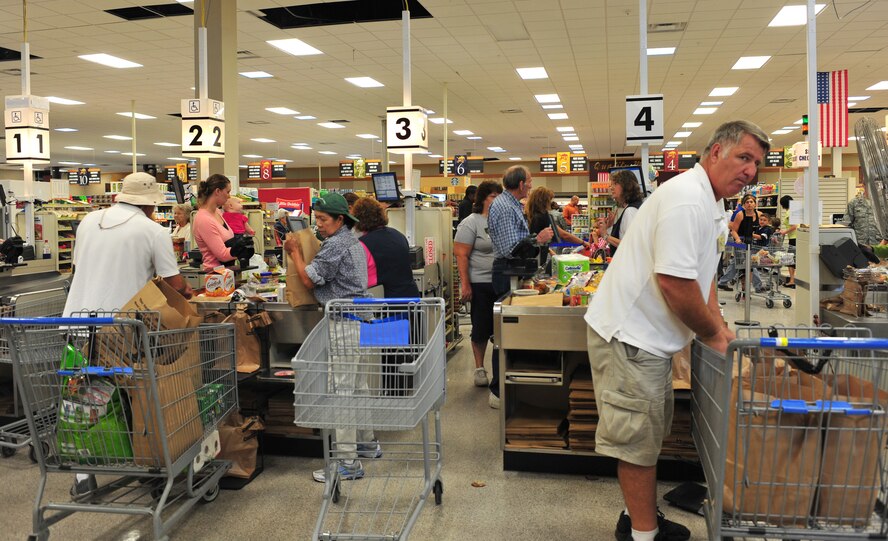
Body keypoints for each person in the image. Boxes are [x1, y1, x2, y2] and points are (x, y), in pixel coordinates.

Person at [585, 120, 769, 541]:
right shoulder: (688, 199)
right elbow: (674, 283)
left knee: (650, 431)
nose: (750, 171)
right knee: (637, 441)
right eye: (744, 157)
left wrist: (718, 328)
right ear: (716, 152)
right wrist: (714, 336)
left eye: (756, 164)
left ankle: (638, 518)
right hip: (630, 338)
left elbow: (700, 280)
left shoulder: (712, 203)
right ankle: (642, 536)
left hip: (649, 338)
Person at [62, 172, 194, 495]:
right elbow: (174, 284)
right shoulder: (153, 231)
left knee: (83, 397)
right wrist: (188, 292)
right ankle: (147, 463)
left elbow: (83, 267)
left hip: (76, 322)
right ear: (151, 206)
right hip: (121, 329)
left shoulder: (89, 222)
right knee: (136, 394)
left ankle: (82, 474)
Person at [283, 193, 379, 483]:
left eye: (323, 220)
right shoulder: (352, 241)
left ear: (340, 219)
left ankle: (348, 462)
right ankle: (367, 443)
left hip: (344, 324)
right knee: (359, 387)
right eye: (317, 219)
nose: (319, 225)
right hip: (360, 321)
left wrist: (296, 253)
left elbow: (309, 279)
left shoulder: (336, 244)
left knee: (343, 393)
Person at [487, 165, 554, 408]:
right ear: (520, 184)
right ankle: (497, 391)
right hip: (507, 273)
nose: (532, 184)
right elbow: (508, 249)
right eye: (529, 180)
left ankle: (508, 385)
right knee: (504, 332)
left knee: (511, 331)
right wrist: (537, 239)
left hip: (515, 272)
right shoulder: (505, 207)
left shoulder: (513, 205)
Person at [454, 180, 503, 387]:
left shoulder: (501, 221)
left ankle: (499, 370)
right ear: (483, 198)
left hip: (501, 281)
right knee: (481, 327)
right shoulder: (470, 222)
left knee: (501, 328)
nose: (497, 200)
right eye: (493, 196)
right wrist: (465, 285)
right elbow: (461, 255)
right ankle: (479, 368)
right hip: (480, 282)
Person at [351, 197, 420, 298]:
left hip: (384, 304)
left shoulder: (363, 245)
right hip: (410, 300)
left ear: (358, 219)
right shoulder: (399, 235)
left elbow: (361, 280)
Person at [526, 187, 590, 271]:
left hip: (529, 257)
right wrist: (583, 242)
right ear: (544, 201)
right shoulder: (544, 216)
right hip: (538, 258)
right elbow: (563, 234)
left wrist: (550, 251)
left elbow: (536, 237)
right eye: (549, 200)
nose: (550, 202)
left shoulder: (530, 215)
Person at [718, 194, 765, 293]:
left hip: (754, 243)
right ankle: (758, 286)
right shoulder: (740, 214)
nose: (749, 204)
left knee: (737, 263)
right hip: (741, 242)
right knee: (750, 262)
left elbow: (764, 227)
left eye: (751, 202)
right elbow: (734, 230)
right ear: (744, 204)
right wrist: (737, 239)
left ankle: (722, 282)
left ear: (755, 204)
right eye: (747, 202)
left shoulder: (759, 214)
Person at [192, 174, 235, 271]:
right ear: (218, 191)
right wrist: (240, 251)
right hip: (215, 276)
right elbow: (222, 255)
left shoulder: (218, 212)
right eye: (227, 192)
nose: (229, 196)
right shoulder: (203, 219)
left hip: (227, 273)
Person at [598, 171, 644, 256]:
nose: (611, 187)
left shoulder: (631, 211)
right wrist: (610, 227)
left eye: (615, 184)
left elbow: (630, 245)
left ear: (626, 186)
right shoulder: (634, 207)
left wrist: (605, 235)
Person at [777, 195, 797, 288]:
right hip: (796, 237)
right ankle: (794, 280)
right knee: (794, 259)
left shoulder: (789, 213)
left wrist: (784, 232)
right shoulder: (795, 211)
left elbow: (794, 226)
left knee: (790, 260)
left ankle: (792, 280)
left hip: (794, 238)